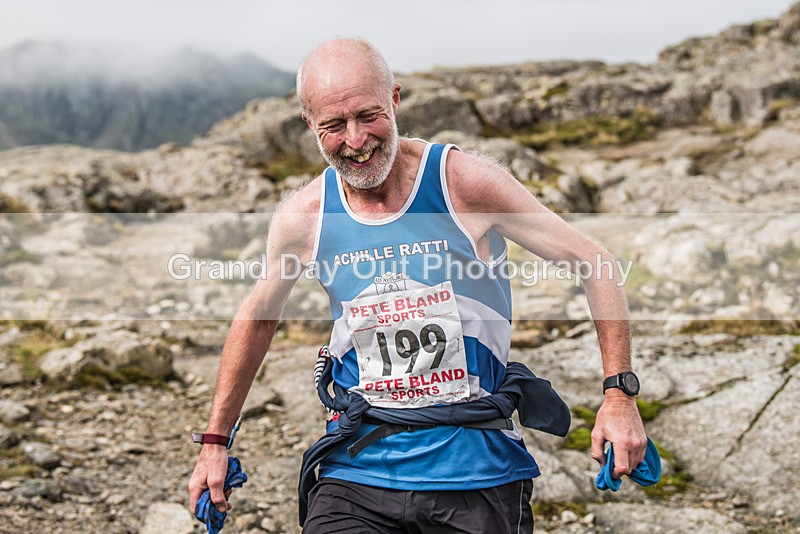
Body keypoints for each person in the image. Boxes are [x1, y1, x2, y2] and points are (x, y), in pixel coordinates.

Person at [188, 37, 646, 533]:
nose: (356, 140)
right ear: (309, 123)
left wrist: (619, 396)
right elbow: (258, 315)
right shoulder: (306, 217)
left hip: (475, 469)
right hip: (358, 466)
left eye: (368, 116)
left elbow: (594, 261)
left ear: (395, 100)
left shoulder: (462, 184)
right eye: (334, 126)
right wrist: (215, 443)